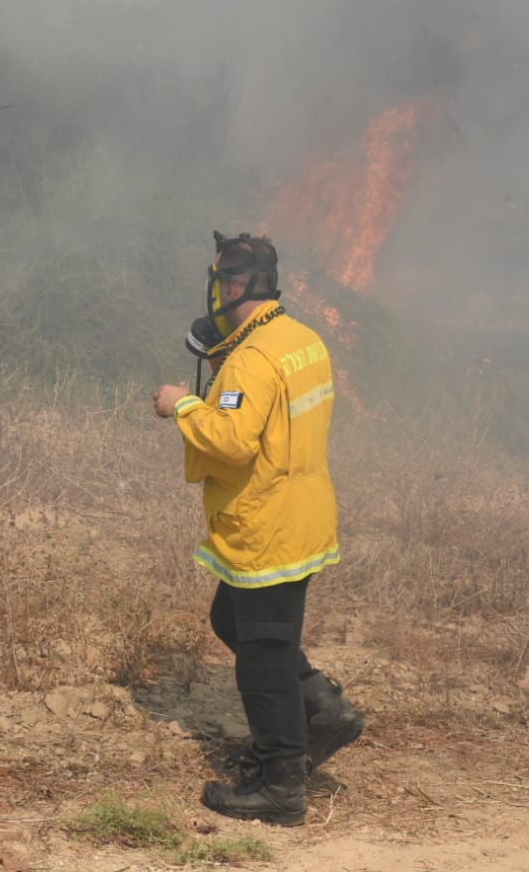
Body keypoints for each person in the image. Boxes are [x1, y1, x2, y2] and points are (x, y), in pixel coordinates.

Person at [153, 231, 365, 826]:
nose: (215, 294)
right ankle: (322, 711)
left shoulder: (252, 357)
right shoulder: (301, 339)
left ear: (237, 286)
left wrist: (182, 404)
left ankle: (280, 784)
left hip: (266, 525)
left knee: (263, 656)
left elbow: (231, 438)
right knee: (231, 622)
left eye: (221, 282)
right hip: (302, 513)